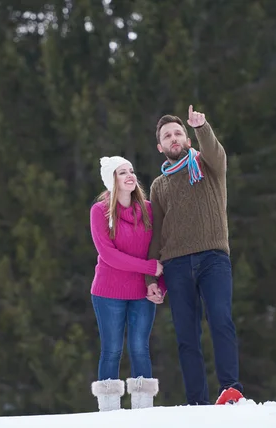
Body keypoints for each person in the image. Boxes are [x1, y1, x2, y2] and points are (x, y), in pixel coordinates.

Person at [144, 105, 244, 406]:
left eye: (178, 133)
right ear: (160, 147)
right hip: (176, 265)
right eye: (167, 136)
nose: (174, 138)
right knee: (187, 336)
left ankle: (230, 389)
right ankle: (196, 402)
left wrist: (202, 127)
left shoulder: (207, 165)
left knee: (220, 318)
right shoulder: (158, 186)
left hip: (213, 257)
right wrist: (152, 277)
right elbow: (157, 232)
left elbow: (217, 152)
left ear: (186, 140)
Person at [89, 155, 166, 412]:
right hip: (108, 292)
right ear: (112, 180)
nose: (130, 175)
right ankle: (109, 413)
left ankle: (143, 412)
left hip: (142, 293)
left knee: (139, 348)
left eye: (131, 170)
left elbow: (159, 249)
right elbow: (108, 255)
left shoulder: (148, 210)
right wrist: (147, 268)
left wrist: (160, 284)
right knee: (111, 349)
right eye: (122, 172)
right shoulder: (99, 211)